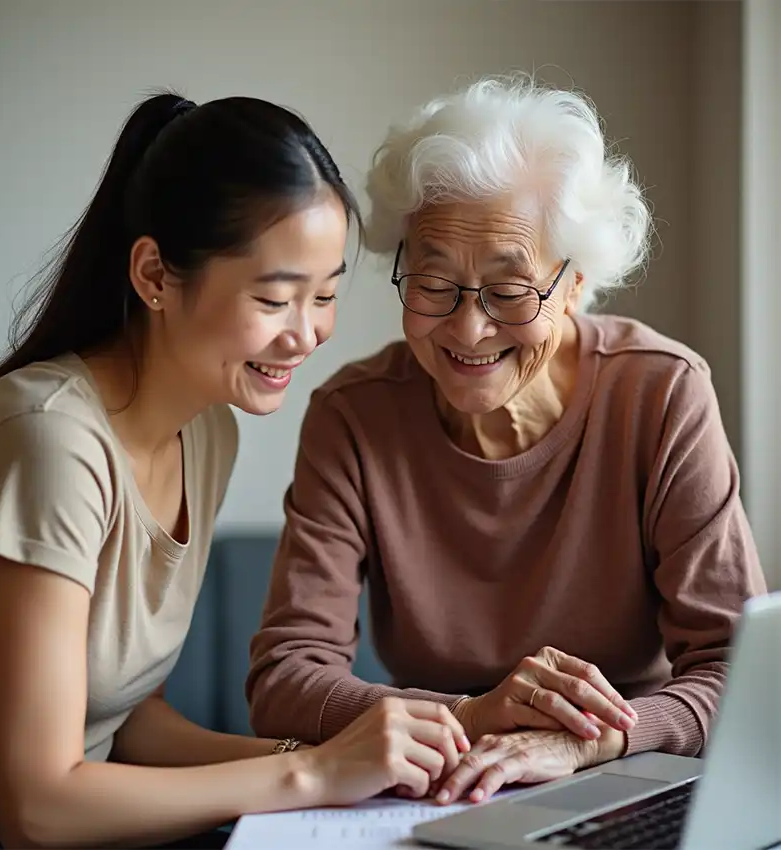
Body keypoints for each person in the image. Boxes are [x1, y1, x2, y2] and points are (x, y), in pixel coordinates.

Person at [0, 92, 471, 850]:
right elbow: (39, 808)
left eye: (324, 296)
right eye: (276, 298)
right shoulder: (49, 444)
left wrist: (327, 765)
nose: (306, 334)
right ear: (154, 274)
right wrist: (310, 777)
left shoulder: (207, 429)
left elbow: (124, 721)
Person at [246, 76, 768, 806]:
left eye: (510, 290)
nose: (467, 329)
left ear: (576, 283)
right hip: (436, 782)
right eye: (432, 283)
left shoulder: (660, 394)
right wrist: (467, 717)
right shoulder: (353, 417)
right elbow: (285, 674)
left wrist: (589, 739)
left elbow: (740, 673)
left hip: (627, 775)